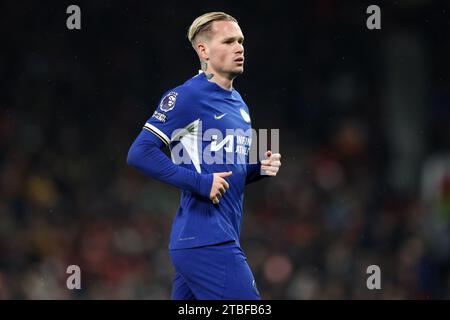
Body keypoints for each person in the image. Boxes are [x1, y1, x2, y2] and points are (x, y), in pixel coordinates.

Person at [127, 12, 281, 300]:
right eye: (229, 41)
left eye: (241, 41)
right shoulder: (186, 95)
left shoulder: (239, 103)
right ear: (204, 50)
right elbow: (139, 153)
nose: (239, 47)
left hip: (209, 239)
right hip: (207, 240)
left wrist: (258, 168)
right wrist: (200, 183)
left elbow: (225, 173)